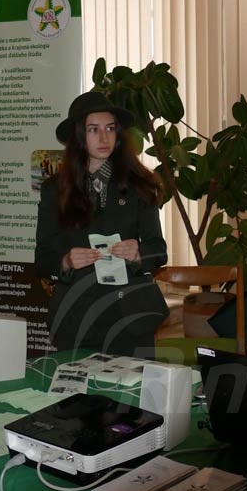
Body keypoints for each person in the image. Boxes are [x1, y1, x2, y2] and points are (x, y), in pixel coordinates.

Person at [35, 90, 169, 355]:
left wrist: (138, 253)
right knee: (77, 383)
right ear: (78, 136)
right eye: (93, 130)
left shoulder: (140, 186)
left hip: (130, 319)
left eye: (110, 128)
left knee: (131, 383)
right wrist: (66, 261)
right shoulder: (54, 190)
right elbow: (42, 259)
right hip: (76, 318)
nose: (104, 137)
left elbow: (159, 251)